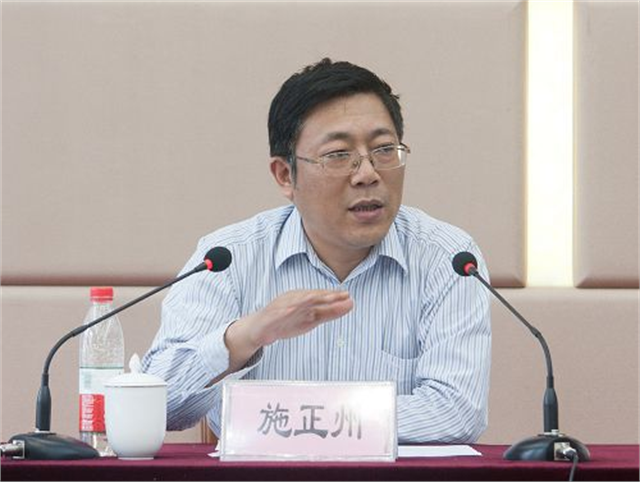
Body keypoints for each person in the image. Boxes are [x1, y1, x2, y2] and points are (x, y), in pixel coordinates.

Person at [141, 58, 491, 443]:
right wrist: (245, 336)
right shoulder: (227, 259)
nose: (368, 173)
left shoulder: (449, 259)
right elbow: (157, 405)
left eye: (384, 149)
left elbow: (457, 411)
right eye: (338, 155)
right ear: (285, 175)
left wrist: (296, 420)